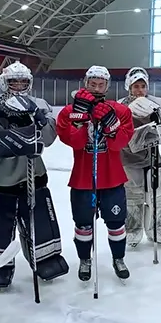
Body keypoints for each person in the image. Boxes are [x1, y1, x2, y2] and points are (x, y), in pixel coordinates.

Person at [0, 61, 69, 288]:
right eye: (13, 81)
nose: (18, 86)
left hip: (33, 177)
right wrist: (19, 129)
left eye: (22, 81)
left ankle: (47, 261)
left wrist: (36, 120)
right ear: (4, 82)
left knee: (41, 225)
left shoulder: (39, 104)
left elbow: (47, 138)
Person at [56, 65, 135, 281]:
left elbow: (120, 144)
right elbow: (75, 142)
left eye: (101, 84)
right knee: (83, 225)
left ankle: (118, 258)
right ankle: (85, 260)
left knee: (117, 224)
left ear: (107, 86)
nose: (97, 88)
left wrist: (111, 125)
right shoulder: (69, 111)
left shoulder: (120, 111)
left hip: (113, 179)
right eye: (93, 84)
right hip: (83, 180)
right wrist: (80, 119)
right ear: (85, 83)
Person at [117, 67, 161, 248]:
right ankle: (132, 231)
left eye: (143, 86)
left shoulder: (156, 102)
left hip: (153, 157)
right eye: (136, 86)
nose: (140, 90)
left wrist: (159, 118)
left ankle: (159, 229)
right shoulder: (120, 105)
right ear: (129, 86)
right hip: (129, 159)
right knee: (132, 198)